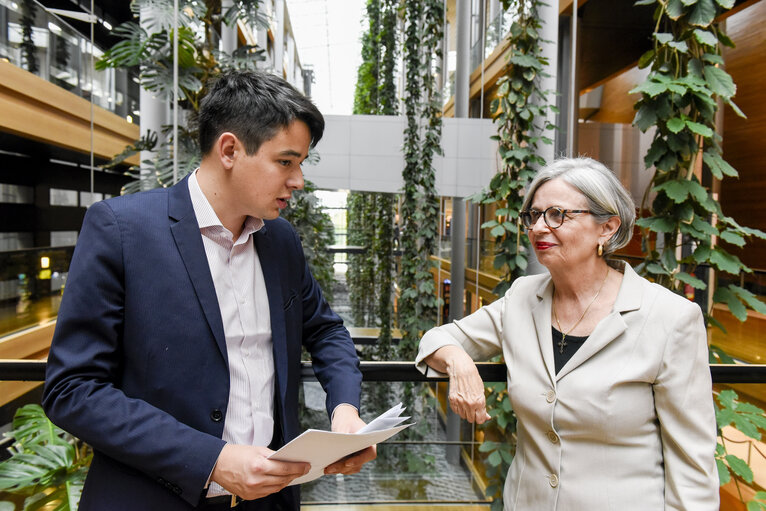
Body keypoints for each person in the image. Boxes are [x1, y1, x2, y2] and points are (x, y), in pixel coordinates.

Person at [42, 70, 375, 511]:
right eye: (286, 161)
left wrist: (345, 412)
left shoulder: (281, 242)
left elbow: (327, 332)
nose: (298, 180)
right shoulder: (122, 230)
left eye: (301, 164)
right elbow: (73, 389)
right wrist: (212, 460)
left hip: (270, 502)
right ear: (230, 150)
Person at [416, 157, 718, 510]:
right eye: (533, 215)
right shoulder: (521, 299)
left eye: (557, 214)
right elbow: (435, 341)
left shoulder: (670, 318)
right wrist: (460, 363)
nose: (539, 228)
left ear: (606, 228)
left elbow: (693, 466)